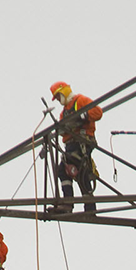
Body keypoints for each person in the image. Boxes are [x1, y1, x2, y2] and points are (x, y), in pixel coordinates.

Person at [49, 81, 103, 213]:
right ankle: (81, 206)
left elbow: (98, 112)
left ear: (64, 92)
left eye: (58, 96)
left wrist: (84, 115)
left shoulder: (81, 101)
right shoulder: (64, 113)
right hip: (71, 145)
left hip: (82, 142)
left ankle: (76, 206)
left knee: (74, 170)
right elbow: (63, 132)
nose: (58, 100)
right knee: (70, 171)